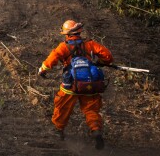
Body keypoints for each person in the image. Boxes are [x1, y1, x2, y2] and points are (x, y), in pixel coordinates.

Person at [38, 20, 113, 150]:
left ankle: (58, 130)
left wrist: (42, 70)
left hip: (71, 85)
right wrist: (101, 62)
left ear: (66, 34)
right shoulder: (90, 44)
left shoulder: (63, 47)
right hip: (90, 84)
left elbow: (52, 59)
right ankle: (95, 130)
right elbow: (107, 56)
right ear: (79, 31)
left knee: (62, 107)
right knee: (91, 110)